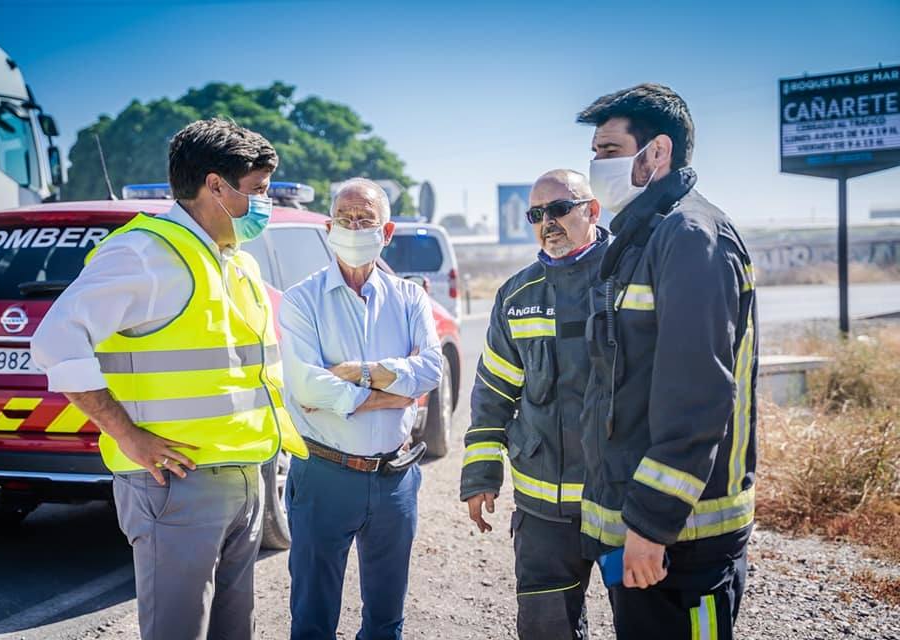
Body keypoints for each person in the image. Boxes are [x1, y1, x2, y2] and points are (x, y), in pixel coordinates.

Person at [31, 118, 307, 640]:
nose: (264, 206)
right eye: (258, 191)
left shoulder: (233, 260)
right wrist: (126, 435)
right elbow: (56, 342)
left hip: (245, 477)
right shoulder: (145, 253)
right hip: (177, 486)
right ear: (215, 186)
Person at [575, 83, 758, 639]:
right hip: (645, 530)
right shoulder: (640, 237)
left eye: (608, 150)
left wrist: (652, 525)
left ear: (656, 153)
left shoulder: (690, 237)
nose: (596, 165)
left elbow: (697, 397)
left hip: (683, 542)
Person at [278, 178, 442, 640]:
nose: (354, 227)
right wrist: (391, 390)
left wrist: (358, 372)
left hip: (395, 478)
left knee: (386, 620)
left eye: (365, 220)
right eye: (345, 219)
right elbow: (308, 385)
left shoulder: (410, 297)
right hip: (324, 476)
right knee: (312, 617)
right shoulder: (301, 299)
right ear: (329, 227)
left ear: (386, 231)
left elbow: (430, 371)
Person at [460, 170, 609, 639]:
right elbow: (494, 392)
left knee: (647, 621)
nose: (548, 222)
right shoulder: (516, 296)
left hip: (621, 501)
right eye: (536, 214)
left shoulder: (629, 280)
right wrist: (481, 474)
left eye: (560, 209)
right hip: (543, 510)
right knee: (546, 630)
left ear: (592, 210)